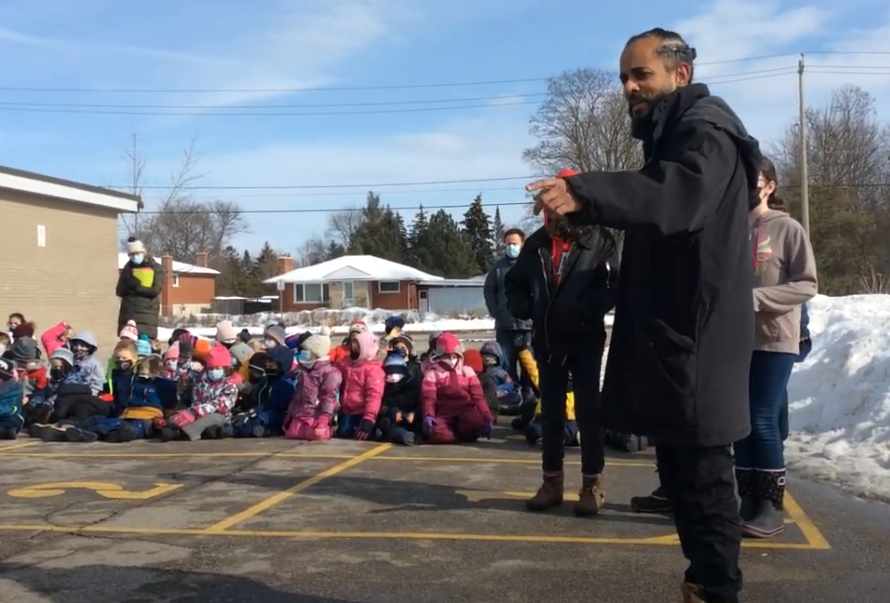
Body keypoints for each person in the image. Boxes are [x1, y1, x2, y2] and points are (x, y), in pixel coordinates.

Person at [526, 28, 761, 603]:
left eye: (641, 75)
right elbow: (657, 210)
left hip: (698, 340)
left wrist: (586, 190)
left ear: (679, 74)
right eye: (625, 78)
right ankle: (702, 581)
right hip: (676, 336)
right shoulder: (673, 135)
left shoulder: (705, 131)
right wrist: (583, 216)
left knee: (704, 481)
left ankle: (714, 588)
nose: (630, 87)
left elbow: (674, 193)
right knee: (682, 474)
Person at [504, 181, 618, 516]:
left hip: (584, 338)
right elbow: (514, 283)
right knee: (550, 411)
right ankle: (551, 483)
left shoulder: (598, 239)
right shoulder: (537, 243)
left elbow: (613, 285)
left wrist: (584, 312)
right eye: (545, 207)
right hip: (548, 339)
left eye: (555, 204)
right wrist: (525, 306)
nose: (550, 212)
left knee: (588, 412)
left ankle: (591, 484)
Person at [736, 158, 817, 539]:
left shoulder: (787, 228)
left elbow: (806, 284)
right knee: (739, 422)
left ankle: (771, 507)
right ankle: (747, 501)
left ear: (770, 186)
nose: (747, 187)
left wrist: (755, 298)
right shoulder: (729, 228)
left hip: (774, 339)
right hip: (733, 340)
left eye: (754, 181)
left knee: (763, 419)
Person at [483, 229, 532, 384]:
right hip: (505, 326)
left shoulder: (533, 265)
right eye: (508, 244)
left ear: (522, 244)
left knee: (529, 367)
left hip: (528, 327)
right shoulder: (497, 268)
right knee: (506, 366)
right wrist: (494, 310)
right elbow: (489, 290)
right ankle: (511, 397)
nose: (511, 247)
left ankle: (530, 398)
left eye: (514, 243)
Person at [116, 238, 164, 339]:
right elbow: (119, 290)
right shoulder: (128, 268)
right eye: (131, 255)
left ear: (143, 253)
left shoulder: (155, 268)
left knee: (143, 347)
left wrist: (136, 287)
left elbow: (155, 290)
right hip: (128, 315)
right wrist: (129, 285)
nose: (134, 257)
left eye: (137, 253)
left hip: (146, 315)